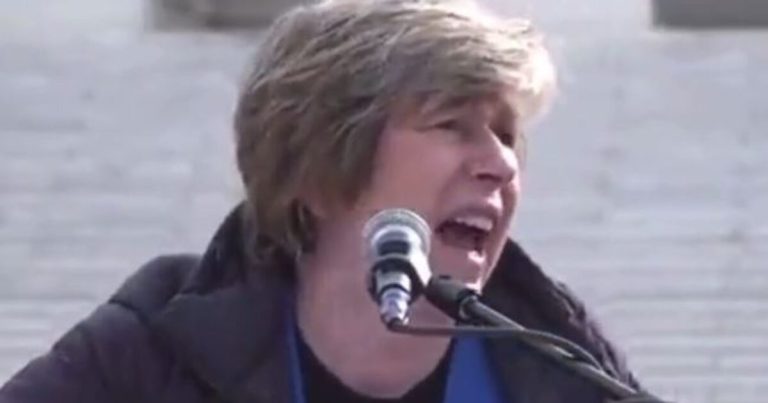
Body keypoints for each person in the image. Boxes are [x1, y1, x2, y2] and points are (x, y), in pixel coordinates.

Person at [0, 0, 643, 402]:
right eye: (453, 125)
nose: (500, 164)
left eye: (506, 135)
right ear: (319, 165)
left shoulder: (558, 357)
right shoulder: (153, 347)